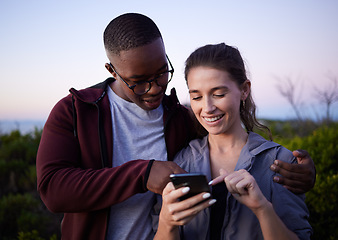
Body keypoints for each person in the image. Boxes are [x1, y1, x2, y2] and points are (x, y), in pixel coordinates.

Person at [36, 13, 314, 239]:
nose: (155, 88)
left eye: (162, 73)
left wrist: (301, 170)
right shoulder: (76, 111)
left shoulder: (179, 118)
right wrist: (142, 174)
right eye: (140, 81)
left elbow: (233, 142)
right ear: (112, 70)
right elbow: (52, 189)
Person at [155, 43, 312, 239]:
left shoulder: (279, 162)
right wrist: (167, 222)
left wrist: (262, 208)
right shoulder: (182, 161)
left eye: (219, 94)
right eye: (196, 97)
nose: (207, 107)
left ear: (244, 90)